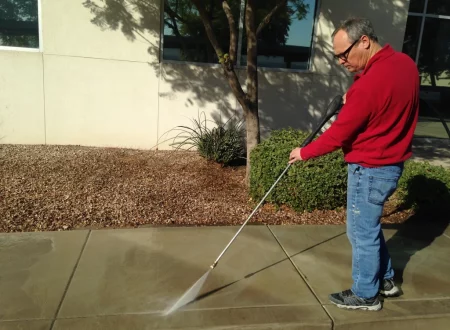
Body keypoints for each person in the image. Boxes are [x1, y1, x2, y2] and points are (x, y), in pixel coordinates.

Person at [288, 17, 419, 311]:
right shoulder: (405, 65)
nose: (340, 62)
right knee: (367, 228)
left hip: (369, 168)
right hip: (392, 164)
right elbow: (385, 99)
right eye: (336, 57)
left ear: (364, 41)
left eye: (343, 54)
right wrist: (356, 89)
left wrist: (304, 152)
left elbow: (338, 134)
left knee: (360, 233)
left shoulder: (368, 85)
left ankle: (365, 294)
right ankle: (385, 280)